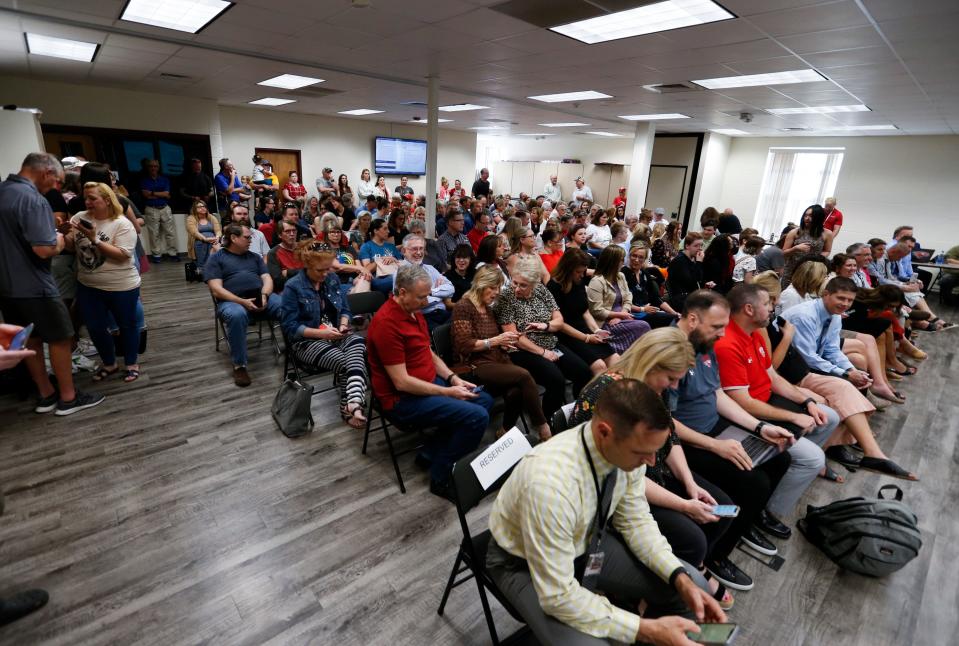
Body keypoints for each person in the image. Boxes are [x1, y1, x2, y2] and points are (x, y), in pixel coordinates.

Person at [487, 378, 726, 645]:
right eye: (643, 452)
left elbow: (636, 522)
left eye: (654, 452)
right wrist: (645, 629)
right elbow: (557, 596)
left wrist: (677, 576)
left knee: (691, 583)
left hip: (584, 539)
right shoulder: (549, 485)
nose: (650, 462)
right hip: (521, 564)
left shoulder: (626, 452)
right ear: (604, 432)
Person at [570, 329, 737, 610]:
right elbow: (621, 479)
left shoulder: (650, 388)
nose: (673, 386)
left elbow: (668, 437)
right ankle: (666, 581)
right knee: (693, 536)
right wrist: (684, 505)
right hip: (611, 490)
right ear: (651, 363)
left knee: (720, 508)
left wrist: (689, 484)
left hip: (644, 473)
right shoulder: (610, 396)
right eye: (671, 379)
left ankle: (687, 569)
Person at [670, 290, 794, 589]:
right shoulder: (670, 354)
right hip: (688, 440)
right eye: (717, 327)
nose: (722, 334)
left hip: (714, 428)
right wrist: (714, 445)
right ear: (692, 319)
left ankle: (745, 522)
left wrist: (759, 427)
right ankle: (716, 554)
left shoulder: (704, 342)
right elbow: (664, 420)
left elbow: (717, 394)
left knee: (780, 456)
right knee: (753, 483)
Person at [714, 284, 842, 520]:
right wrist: (794, 416)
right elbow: (743, 402)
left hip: (765, 400)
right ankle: (768, 511)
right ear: (749, 309)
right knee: (813, 458)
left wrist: (807, 401)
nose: (774, 308)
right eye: (768, 303)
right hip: (749, 413)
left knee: (829, 416)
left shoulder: (755, 334)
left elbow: (771, 376)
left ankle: (792, 471)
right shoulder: (728, 344)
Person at [366, 263, 494, 498]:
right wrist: (447, 392)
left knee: (483, 399)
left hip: (427, 384)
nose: (427, 302)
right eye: (422, 297)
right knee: (477, 416)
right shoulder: (386, 324)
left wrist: (453, 378)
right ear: (402, 293)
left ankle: (430, 453)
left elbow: (428, 353)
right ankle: (441, 475)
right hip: (402, 399)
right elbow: (401, 383)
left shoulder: (413, 312)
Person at [771, 278, 918, 481]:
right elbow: (808, 356)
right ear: (826, 295)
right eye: (841, 298)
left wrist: (849, 369)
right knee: (843, 384)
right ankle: (845, 447)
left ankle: (859, 447)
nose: (846, 304)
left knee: (855, 366)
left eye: (850, 300)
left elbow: (830, 348)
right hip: (790, 370)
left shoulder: (834, 315)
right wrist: (846, 374)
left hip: (804, 365)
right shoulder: (805, 316)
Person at [0, 153, 104, 415]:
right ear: (46, 173)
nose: (56, 187)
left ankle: (46, 394)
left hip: (7, 286)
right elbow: (44, 250)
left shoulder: (4, 192)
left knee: (30, 339)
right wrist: (58, 237)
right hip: (35, 284)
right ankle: (68, 398)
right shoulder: (33, 198)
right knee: (61, 337)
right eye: (57, 182)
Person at [451, 265, 551, 441]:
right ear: (480, 285)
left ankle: (505, 431)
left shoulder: (488, 308)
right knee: (524, 375)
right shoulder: (464, 306)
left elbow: (495, 340)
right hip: (476, 364)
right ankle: (543, 427)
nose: (496, 292)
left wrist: (506, 342)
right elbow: (463, 345)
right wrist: (495, 341)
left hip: (496, 359)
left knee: (516, 392)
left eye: (498, 287)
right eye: (492, 287)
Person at [280, 240, 368, 428]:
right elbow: (290, 327)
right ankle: (352, 405)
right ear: (307, 266)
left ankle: (352, 404)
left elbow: (345, 309)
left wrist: (343, 325)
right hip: (306, 341)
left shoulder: (332, 279)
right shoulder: (293, 287)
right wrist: (323, 334)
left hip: (335, 333)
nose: (326, 273)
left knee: (359, 343)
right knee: (346, 361)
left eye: (329, 268)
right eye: (321, 270)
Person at [494, 256, 594, 420]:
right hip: (524, 349)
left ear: (533, 284)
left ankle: (577, 413)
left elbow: (559, 321)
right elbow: (514, 337)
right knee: (556, 380)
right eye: (515, 282)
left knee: (583, 371)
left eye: (523, 285)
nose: (517, 288)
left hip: (550, 341)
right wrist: (543, 352)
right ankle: (548, 420)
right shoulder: (506, 298)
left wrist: (546, 326)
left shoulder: (541, 290)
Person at [68, 181, 144, 383]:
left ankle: (131, 363)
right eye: (86, 198)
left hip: (121, 286)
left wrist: (95, 239)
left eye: (93, 198)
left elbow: (122, 255)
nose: (88, 202)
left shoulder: (121, 223)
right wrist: (62, 233)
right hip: (88, 285)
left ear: (107, 200)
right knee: (95, 327)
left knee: (126, 325)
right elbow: (71, 246)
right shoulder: (79, 218)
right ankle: (109, 364)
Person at [204, 224, 282, 387]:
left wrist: (265, 295)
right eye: (247, 237)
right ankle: (239, 365)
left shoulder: (254, 257)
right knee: (237, 315)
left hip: (259, 297)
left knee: (285, 305)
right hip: (231, 301)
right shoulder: (217, 258)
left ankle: (299, 350)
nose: (250, 240)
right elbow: (216, 289)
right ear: (233, 238)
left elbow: (267, 279)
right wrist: (241, 301)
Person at [548, 249, 619, 375]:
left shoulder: (578, 281)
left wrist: (597, 330)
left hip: (584, 329)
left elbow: (585, 312)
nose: (582, 275)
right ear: (567, 269)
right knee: (599, 366)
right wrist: (586, 338)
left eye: (583, 271)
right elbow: (559, 323)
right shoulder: (553, 286)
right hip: (566, 334)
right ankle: (596, 394)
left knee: (616, 361)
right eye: (578, 272)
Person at [587, 246, 651, 354]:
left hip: (621, 315)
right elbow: (596, 311)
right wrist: (619, 315)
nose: (624, 262)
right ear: (613, 262)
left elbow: (628, 297)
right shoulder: (597, 281)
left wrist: (622, 313)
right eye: (621, 260)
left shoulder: (620, 276)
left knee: (643, 326)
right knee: (643, 326)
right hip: (606, 321)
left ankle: (639, 358)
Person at [393, 234, 453, 330]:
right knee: (447, 332)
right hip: (422, 316)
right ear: (404, 251)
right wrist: (439, 295)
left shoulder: (430, 268)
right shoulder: (401, 273)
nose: (419, 252)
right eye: (414, 249)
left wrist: (431, 292)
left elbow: (451, 288)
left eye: (421, 249)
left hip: (442, 312)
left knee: (463, 322)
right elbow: (415, 303)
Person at [622, 243, 679, 329]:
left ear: (645, 259)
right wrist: (642, 309)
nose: (637, 260)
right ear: (629, 256)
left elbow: (656, 299)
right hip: (634, 313)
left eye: (640, 257)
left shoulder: (644, 273)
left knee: (677, 317)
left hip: (649, 310)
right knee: (672, 320)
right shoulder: (623, 273)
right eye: (634, 256)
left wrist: (674, 313)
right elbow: (621, 301)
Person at [782, 204, 834, 287]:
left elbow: (827, 251)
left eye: (811, 216)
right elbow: (783, 253)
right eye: (805, 215)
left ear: (818, 217)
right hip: (793, 270)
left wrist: (815, 259)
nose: (807, 218)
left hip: (812, 270)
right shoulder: (794, 232)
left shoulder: (827, 234)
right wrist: (795, 248)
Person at [140, 159, 177, 263]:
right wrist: (161, 194)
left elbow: (166, 194)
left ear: (158, 167)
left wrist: (152, 193)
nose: (153, 168)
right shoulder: (144, 180)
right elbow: (145, 195)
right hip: (151, 209)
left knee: (170, 233)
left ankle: (172, 253)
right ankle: (157, 255)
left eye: (155, 166)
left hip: (165, 207)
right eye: (151, 166)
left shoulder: (164, 179)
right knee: (154, 234)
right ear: (148, 168)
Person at [667, 232, 711, 312]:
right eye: (696, 246)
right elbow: (692, 282)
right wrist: (699, 263)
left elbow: (699, 280)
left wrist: (705, 284)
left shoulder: (692, 260)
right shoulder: (679, 261)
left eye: (701, 245)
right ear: (687, 246)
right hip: (681, 299)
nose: (699, 248)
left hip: (691, 297)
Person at [359, 218, 403, 294]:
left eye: (388, 229)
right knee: (402, 279)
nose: (388, 231)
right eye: (385, 229)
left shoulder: (391, 246)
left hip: (394, 273)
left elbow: (401, 264)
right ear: (375, 231)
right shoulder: (366, 246)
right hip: (378, 278)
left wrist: (393, 259)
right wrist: (381, 260)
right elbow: (367, 269)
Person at [185, 200, 221, 275]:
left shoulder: (211, 217)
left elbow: (218, 230)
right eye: (199, 207)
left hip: (213, 241)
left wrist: (217, 237)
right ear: (195, 209)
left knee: (215, 246)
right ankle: (201, 268)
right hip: (199, 241)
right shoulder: (191, 218)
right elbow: (194, 232)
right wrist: (205, 239)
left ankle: (212, 269)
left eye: (204, 206)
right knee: (200, 243)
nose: (203, 208)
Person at [433, 208, 469, 273]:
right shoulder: (442, 241)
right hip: (451, 275)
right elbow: (443, 264)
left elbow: (470, 256)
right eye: (459, 220)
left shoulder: (464, 238)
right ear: (450, 222)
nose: (463, 223)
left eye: (463, 220)